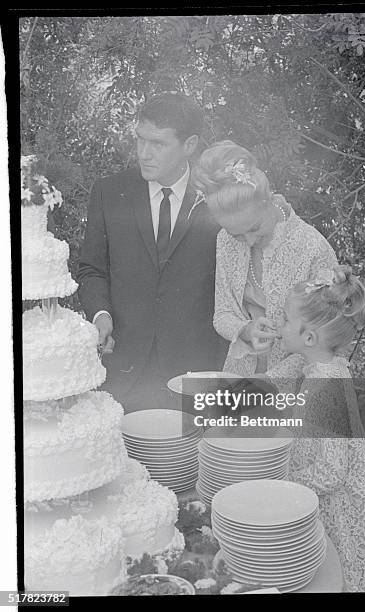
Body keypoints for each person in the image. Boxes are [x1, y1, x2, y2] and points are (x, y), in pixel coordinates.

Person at [77, 93, 227, 413]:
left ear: (189, 145)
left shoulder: (218, 196)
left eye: (157, 144)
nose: (144, 153)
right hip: (124, 368)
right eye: (140, 140)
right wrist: (100, 316)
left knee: (189, 462)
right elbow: (91, 268)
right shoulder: (109, 191)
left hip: (196, 370)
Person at [277, 265, 365, 592]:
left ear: (308, 337)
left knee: (337, 575)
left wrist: (280, 483)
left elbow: (331, 471)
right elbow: (274, 381)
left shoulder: (328, 385)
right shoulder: (318, 362)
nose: (280, 326)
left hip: (338, 511)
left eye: (285, 321)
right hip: (320, 500)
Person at [192, 140, 337, 378]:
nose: (248, 242)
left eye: (255, 227)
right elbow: (223, 314)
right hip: (241, 374)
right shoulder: (224, 241)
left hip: (300, 382)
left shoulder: (312, 246)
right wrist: (246, 330)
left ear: (268, 199)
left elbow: (327, 341)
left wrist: (271, 382)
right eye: (235, 234)